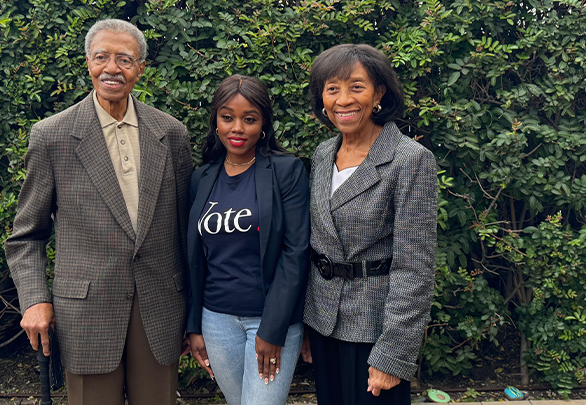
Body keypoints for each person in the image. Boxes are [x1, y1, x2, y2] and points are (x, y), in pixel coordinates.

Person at [5, 19, 192, 405]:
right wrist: (35, 299)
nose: (112, 68)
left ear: (140, 68)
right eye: (102, 57)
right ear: (88, 62)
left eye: (124, 59)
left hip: (160, 307)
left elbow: (186, 229)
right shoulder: (52, 135)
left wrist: (197, 313)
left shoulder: (171, 133)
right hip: (85, 314)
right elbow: (26, 234)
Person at [301, 44, 438, 405]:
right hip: (324, 324)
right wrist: (306, 326)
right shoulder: (322, 153)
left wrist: (393, 354)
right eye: (332, 89)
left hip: (375, 332)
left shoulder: (409, 160)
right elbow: (316, 245)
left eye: (356, 87)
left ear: (378, 93)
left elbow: (415, 267)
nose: (343, 99)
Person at [186, 75, 310, 405]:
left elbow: (295, 252)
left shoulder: (287, 171)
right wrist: (194, 326)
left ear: (264, 125)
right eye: (227, 117)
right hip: (216, 320)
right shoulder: (202, 178)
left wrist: (273, 329)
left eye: (249, 119)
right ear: (215, 122)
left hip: (269, 319)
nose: (237, 128)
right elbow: (196, 258)